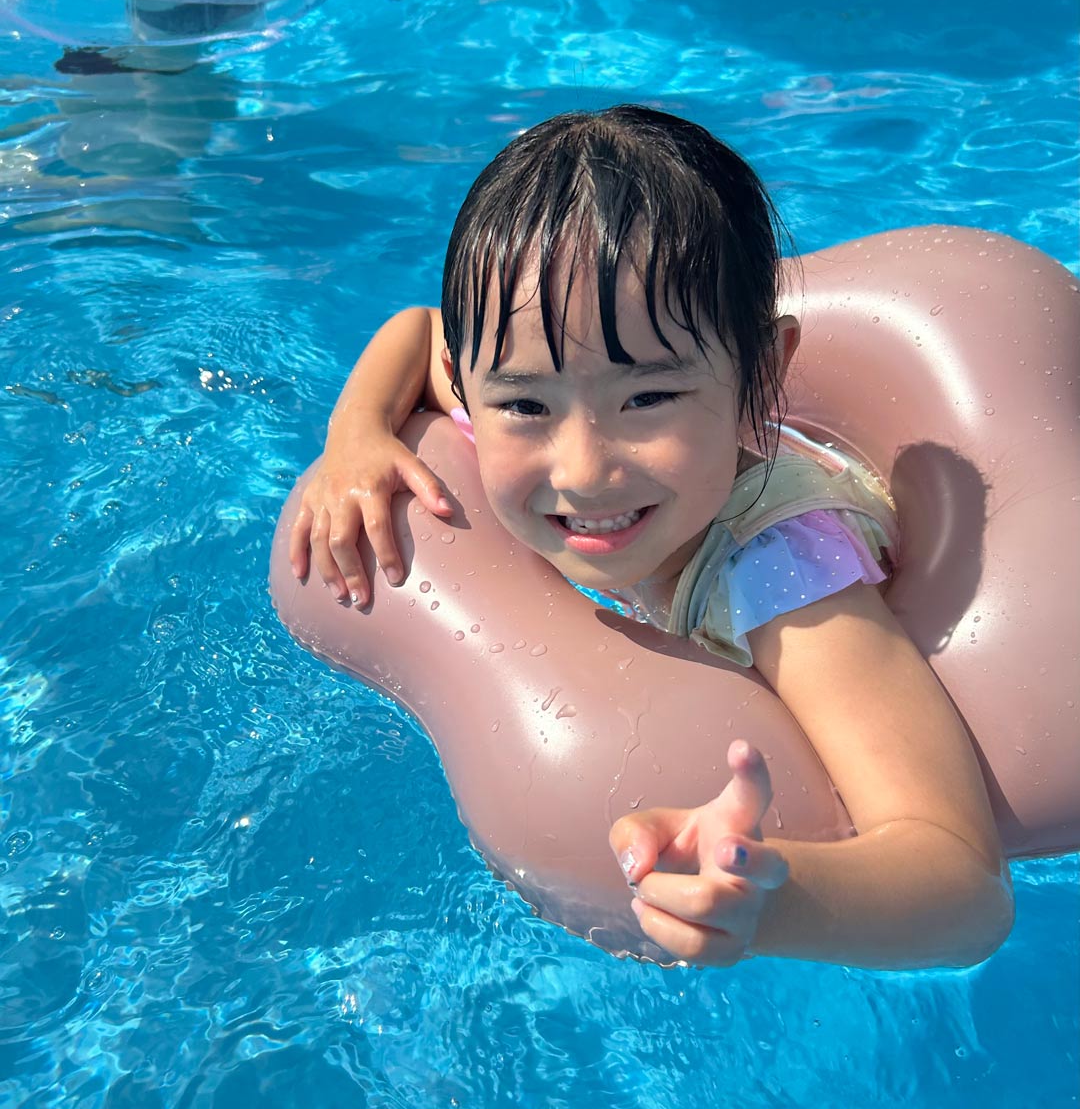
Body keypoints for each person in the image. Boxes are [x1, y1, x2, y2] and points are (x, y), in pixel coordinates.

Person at [288, 105, 1013, 970]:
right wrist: (356, 434)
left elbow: (963, 883)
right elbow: (420, 329)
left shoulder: (785, 577)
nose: (584, 469)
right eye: (523, 404)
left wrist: (769, 902)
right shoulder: (518, 372)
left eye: (649, 399)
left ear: (765, 373)